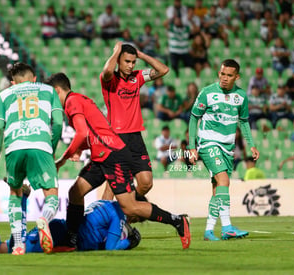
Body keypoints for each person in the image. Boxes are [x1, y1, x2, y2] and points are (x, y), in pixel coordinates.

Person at [45, 72, 190, 251]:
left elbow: (82, 132)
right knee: (75, 192)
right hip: (102, 155)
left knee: (129, 208)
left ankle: (177, 221)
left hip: (114, 155)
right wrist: (81, 148)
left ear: (57, 90)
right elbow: (91, 132)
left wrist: (63, 159)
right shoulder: (77, 100)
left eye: (51, 95)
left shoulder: (71, 102)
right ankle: (71, 240)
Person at [0, 62, 64, 255]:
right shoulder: (48, 90)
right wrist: (51, 148)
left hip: (14, 147)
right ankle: (44, 219)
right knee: (51, 193)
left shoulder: (4, 95)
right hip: (41, 145)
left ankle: (19, 245)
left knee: (15, 193)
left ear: (13, 82)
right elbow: (58, 124)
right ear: (34, 78)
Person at [0, 188, 142, 253]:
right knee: (1, 249)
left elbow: (108, 193)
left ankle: (21, 199)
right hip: (64, 239)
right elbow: (111, 247)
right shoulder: (118, 215)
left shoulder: (102, 205)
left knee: (8, 246)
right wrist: (129, 242)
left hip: (62, 228)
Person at [188, 59, 260, 241]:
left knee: (217, 188)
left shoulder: (241, 96)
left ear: (237, 77)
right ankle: (227, 227)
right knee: (224, 180)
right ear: (219, 73)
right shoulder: (207, 93)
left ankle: (209, 230)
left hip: (228, 148)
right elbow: (193, 118)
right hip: (208, 143)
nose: (224, 78)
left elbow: (243, 121)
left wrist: (251, 144)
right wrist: (191, 146)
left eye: (229, 75)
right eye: (222, 74)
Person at [100, 42, 169, 199]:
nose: (130, 66)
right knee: (112, 187)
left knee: (146, 182)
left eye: (133, 62)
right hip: (117, 137)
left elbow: (163, 70)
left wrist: (141, 54)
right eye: (127, 61)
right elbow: (107, 71)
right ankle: (103, 220)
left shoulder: (137, 77)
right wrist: (117, 50)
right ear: (118, 60)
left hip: (135, 137)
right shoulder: (109, 79)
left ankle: (127, 211)